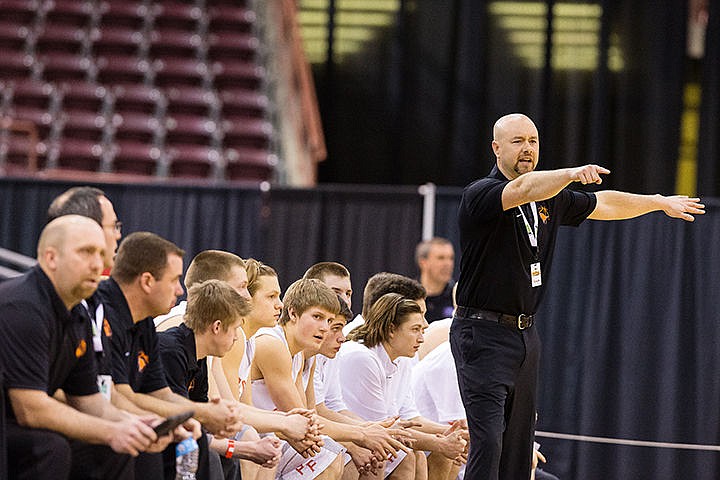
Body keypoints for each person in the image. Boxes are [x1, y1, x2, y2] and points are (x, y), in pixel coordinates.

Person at [451, 112, 705, 480]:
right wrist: (570, 174)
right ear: (496, 148)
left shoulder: (549, 201)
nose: (527, 149)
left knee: (519, 446)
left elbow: (605, 203)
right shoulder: (482, 194)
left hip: (525, 335)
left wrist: (657, 201)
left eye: (533, 141)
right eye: (518, 141)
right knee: (489, 441)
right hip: (482, 333)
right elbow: (523, 189)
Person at [0, 215, 163, 480]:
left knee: (121, 448)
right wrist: (111, 431)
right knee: (51, 448)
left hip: (16, 424)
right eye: (86, 252)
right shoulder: (23, 307)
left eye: (101, 253)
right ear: (51, 258)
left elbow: (89, 400)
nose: (97, 264)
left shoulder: (78, 314)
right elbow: (31, 409)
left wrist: (134, 423)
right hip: (13, 423)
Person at [97, 232, 244, 479]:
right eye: (174, 280)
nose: (179, 290)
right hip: (104, 418)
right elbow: (118, 395)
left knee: (195, 440)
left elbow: (161, 392)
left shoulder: (144, 324)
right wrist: (200, 414)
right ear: (147, 281)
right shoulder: (107, 315)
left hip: (125, 414)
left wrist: (199, 414)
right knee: (157, 445)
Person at [250, 278, 411, 480]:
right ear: (292, 313)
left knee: (335, 454)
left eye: (328, 321)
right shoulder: (273, 344)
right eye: (317, 317)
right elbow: (302, 422)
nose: (325, 328)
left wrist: (367, 428)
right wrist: (362, 434)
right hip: (255, 434)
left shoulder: (302, 355)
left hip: (271, 434)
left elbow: (309, 415)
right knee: (332, 456)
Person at [158, 279, 282, 478]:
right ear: (217, 327)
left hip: (174, 436)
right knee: (212, 454)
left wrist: (224, 424)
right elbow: (178, 421)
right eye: (234, 329)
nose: (235, 338)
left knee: (221, 452)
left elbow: (201, 418)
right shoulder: (171, 351)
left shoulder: (198, 355)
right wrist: (247, 448)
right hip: (151, 440)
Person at [339, 293, 468, 480]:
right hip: (351, 435)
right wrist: (440, 443)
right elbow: (386, 431)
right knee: (406, 456)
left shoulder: (401, 358)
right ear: (391, 329)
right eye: (415, 329)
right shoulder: (362, 357)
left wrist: (451, 435)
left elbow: (407, 417)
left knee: (433, 455)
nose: (422, 339)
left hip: (369, 432)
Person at [415, 238, 455, 323]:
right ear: (423, 262)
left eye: (451, 258)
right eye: (441, 258)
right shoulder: (409, 296)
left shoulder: (457, 297)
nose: (448, 264)